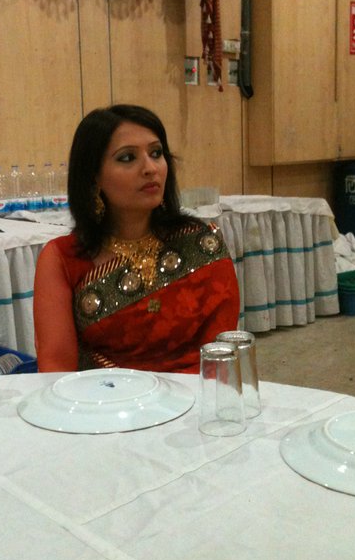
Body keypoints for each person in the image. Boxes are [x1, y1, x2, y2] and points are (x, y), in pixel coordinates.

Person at [33, 104, 240, 373]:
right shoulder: (63, 259)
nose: (150, 168)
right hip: (100, 396)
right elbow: (56, 368)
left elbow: (220, 356)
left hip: (197, 394)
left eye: (156, 153)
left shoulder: (201, 246)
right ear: (94, 177)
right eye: (127, 157)